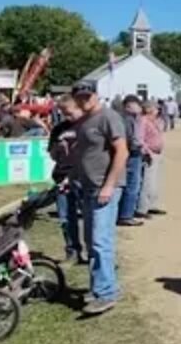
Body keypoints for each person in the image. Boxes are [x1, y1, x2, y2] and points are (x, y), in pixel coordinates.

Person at [66, 81, 129, 316]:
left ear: (96, 95)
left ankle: (106, 294)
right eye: (81, 97)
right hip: (88, 187)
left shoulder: (108, 117)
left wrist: (109, 185)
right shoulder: (83, 123)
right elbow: (83, 155)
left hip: (105, 187)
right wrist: (70, 178)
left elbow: (122, 151)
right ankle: (101, 287)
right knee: (92, 241)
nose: (85, 100)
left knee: (101, 241)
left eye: (88, 95)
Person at [49, 95, 85, 264]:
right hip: (62, 176)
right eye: (63, 113)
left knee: (90, 218)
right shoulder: (58, 129)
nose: (66, 116)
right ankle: (72, 251)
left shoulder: (87, 126)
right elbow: (52, 154)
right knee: (65, 218)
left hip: (83, 177)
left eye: (69, 112)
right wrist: (58, 148)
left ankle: (92, 253)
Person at [116, 95, 146, 227]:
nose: (140, 108)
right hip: (131, 154)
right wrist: (138, 147)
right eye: (137, 105)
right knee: (132, 185)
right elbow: (129, 138)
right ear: (128, 106)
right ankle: (126, 215)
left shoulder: (131, 119)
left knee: (130, 184)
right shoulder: (126, 119)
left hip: (131, 153)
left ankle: (125, 213)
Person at [137, 100, 167, 217]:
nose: (157, 110)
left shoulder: (154, 121)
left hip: (157, 154)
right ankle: (142, 208)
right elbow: (140, 139)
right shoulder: (143, 121)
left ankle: (151, 205)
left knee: (154, 181)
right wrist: (147, 152)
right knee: (147, 182)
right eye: (155, 108)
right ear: (149, 109)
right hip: (149, 155)